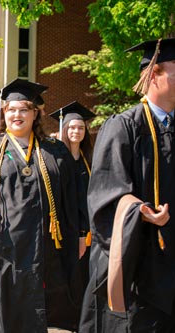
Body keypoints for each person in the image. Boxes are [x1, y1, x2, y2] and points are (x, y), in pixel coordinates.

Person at [0, 79, 81, 332]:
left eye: (23, 109)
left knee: (36, 304)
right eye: (11, 109)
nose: (16, 115)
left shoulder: (54, 151)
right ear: (4, 113)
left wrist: (79, 234)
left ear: (35, 113)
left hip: (42, 244)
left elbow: (71, 197)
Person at [80, 37, 175, 332]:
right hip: (139, 260)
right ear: (154, 73)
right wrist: (141, 211)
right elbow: (106, 193)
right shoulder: (123, 126)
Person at [49, 101, 96, 325]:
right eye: (71, 127)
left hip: (87, 229)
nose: (76, 131)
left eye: (80, 128)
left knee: (83, 275)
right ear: (64, 129)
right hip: (62, 227)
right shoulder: (57, 159)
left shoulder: (90, 159)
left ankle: (80, 320)